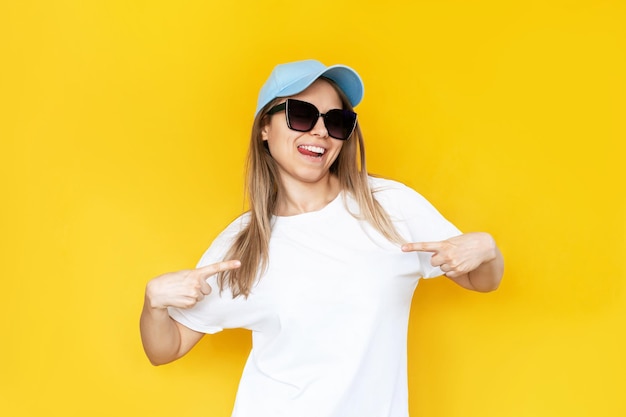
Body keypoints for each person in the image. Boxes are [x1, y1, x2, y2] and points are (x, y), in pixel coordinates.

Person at [140, 59, 504, 417]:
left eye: (336, 121)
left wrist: (488, 251)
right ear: (264, 128)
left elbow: (480, 280)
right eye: (301, 114)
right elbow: (165, 349)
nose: (320, 132)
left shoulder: (390, 207)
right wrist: (153, 304)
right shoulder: (243, 244)